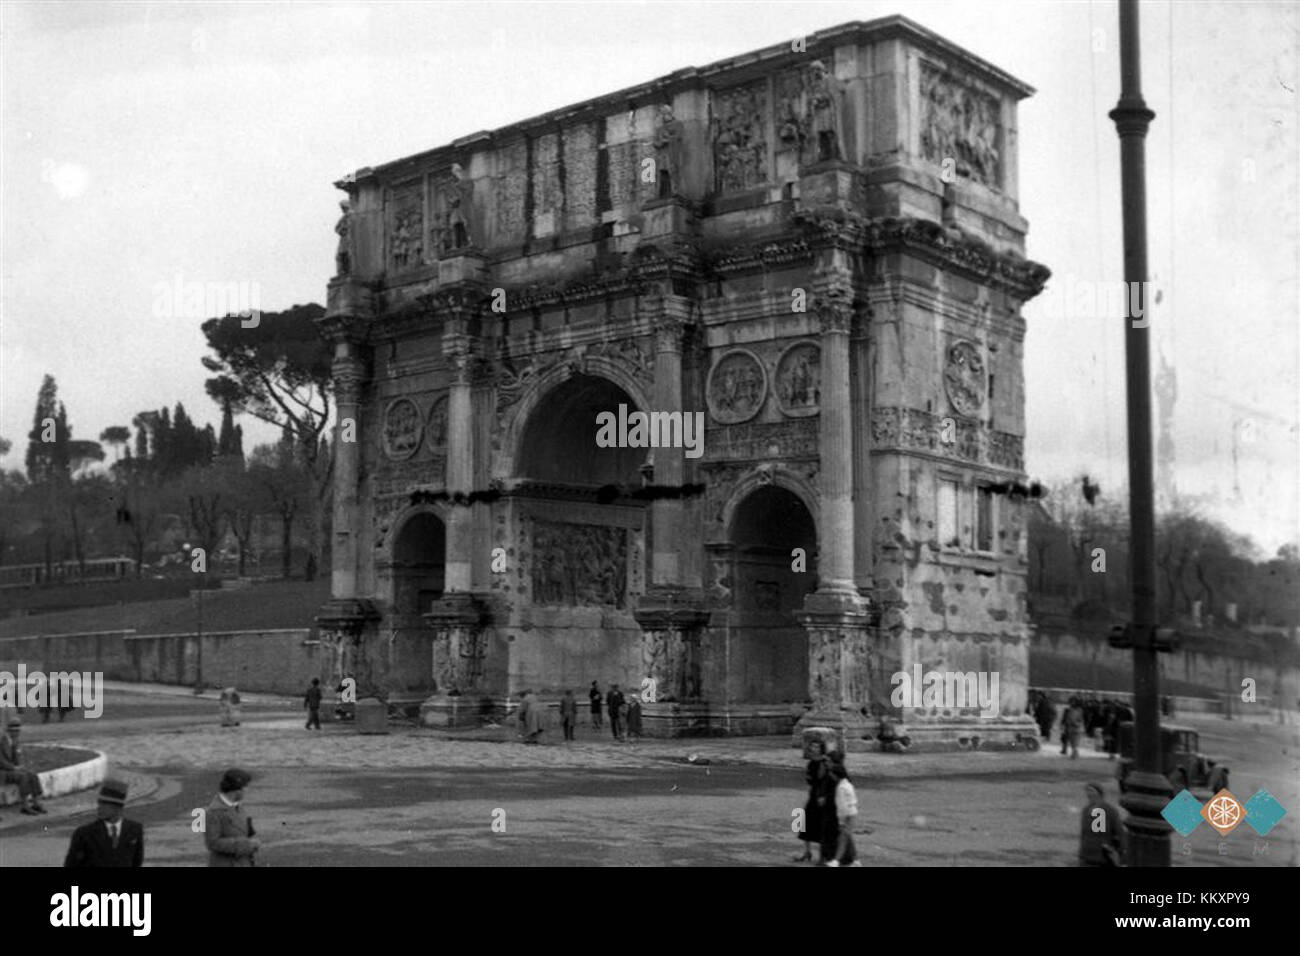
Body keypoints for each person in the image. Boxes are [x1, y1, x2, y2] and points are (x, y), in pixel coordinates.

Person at [64, 779, 143, 867]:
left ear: (117, 808)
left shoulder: (135, 830)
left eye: (105, 804)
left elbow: (137, 861)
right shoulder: (84, 834)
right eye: (100, 803)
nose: (99, 808)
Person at [205, 768, 259, 867]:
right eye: (245, 787)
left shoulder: (238, 806)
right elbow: (212, 843)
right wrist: (245, 844)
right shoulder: (213, 812)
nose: (247, 790)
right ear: (237, 790)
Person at [0, 714, 47, 815]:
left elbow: (17, 757)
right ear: (10, 731)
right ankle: (25, 805)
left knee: (32, 775)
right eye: (16, 731)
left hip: (11, 769)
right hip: (3, 771)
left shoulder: (14, 741)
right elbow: (1, 761)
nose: (18, 733)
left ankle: (36, 802)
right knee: (23, 776)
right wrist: (14, 768)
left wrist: (19, 766)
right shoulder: (2, 741)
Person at [795, 738, 830, 863]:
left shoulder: (825, 763)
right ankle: (807, 851)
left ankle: (822, 855)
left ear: (821, 749)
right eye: (812, 747)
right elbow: (809, 780)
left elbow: (827, 781)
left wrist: (824, 796)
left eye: (817, 747)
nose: (814, 749)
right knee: (805, 822)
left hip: (823, 796)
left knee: (821, 825)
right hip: (813, 795)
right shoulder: (811, 763)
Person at [1079, 782, 1123, 866]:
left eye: (1091, 791)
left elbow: (1119, 832)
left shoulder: (1109, 811)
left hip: (1101, 856)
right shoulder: (1086, 810)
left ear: (1099, 794)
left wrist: (1120, 852)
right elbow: (1083, 833)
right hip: (1087, 855)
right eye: (1087, 791)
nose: (1089, 794)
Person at [826, 760, 860, 867]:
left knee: (843, 839)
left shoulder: (840, 788)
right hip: (852, 812)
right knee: (847, 837)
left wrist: (841, 821)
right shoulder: (847, 784)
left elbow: (842, 806)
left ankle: (836, 860)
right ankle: (855, 859)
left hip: (847, 815)